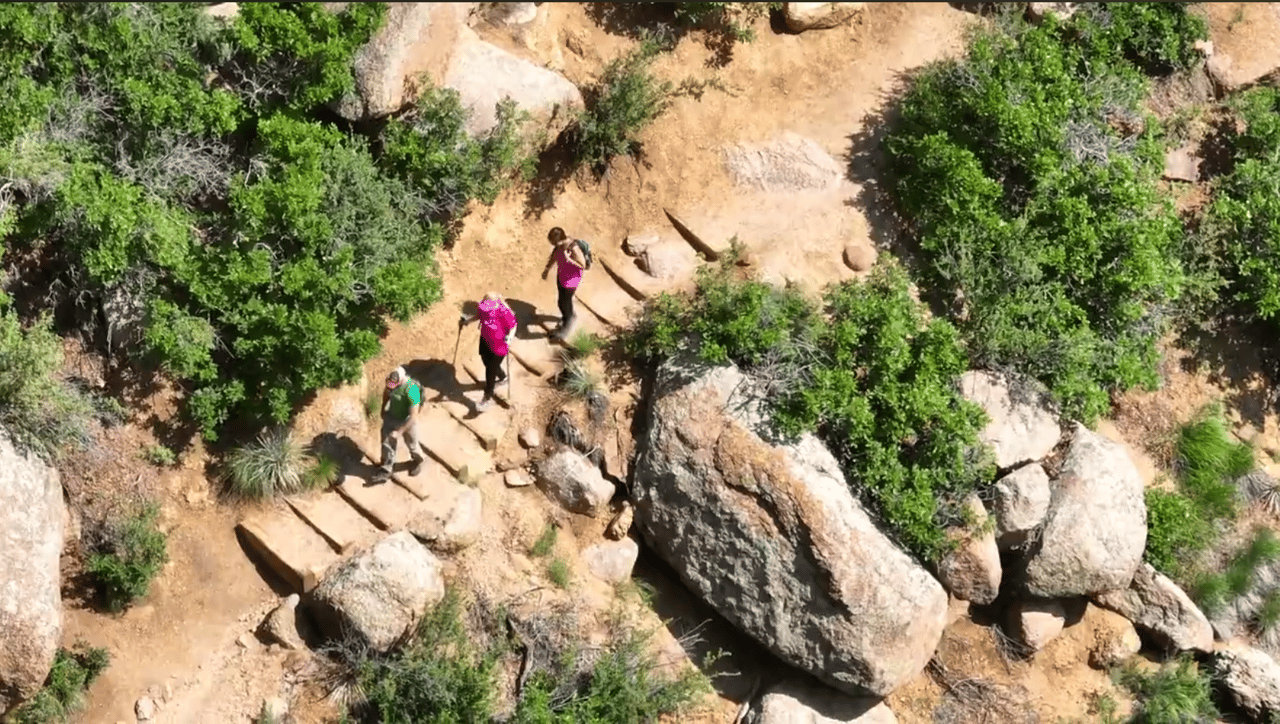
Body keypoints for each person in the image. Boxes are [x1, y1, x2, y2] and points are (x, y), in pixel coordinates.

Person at [459, 292, 517, 410]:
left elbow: (513, 326)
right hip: (485, 340)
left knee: (490, 371)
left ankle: (487, 397)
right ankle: (503, 377)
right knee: (485, 360)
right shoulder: (484, 308)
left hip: (499, 345)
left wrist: (510, 337)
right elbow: (479, 316)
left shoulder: (503, 311)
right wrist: (467, 321)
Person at [373, 366, 426, 483]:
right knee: (386, 442)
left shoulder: (412, 390)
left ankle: (417, 461)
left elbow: (413, 416)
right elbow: (386, 393)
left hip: (407, 420)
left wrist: (400, 432)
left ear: (401, 380)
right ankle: (386, 468)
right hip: (392, 416)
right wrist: (383, 409)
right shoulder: (391, 382)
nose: (391, 386)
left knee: (413, 444)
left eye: (394, 384)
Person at [541, 226, 587, 340]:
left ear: (561, 239)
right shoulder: (559, 246)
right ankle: (568, 316)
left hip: (571, 281)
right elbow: (554, 257)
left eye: (554, 243)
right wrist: (547, 269)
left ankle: (567, 325)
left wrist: (569, 260)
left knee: (564, 302)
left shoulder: (573, 248)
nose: (553, 245)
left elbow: (582, 265)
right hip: (562, 277)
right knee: (561, 302)